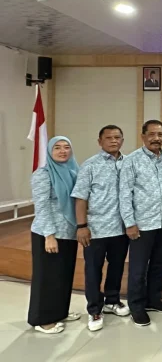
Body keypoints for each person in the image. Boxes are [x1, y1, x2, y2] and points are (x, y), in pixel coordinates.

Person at [73, 125, 130, 332]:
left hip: (121, 228)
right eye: (109, 138)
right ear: (100, 141)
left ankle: (112, 301)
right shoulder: (90, 165)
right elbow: (80, 198)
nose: (113, 141)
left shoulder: (129, 163)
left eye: (117, 137)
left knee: (117, 267)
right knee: (93, 270)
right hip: (96, 229)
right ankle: (94, 309)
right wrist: (82, 226)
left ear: (122, 140)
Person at [119, 119, 162, 327]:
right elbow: (125, 194)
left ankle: (153, 300)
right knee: (138, 268)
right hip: (141, 225)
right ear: (143, 136)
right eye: (151, 134)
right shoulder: (131, 160)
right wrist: (129, 223)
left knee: (159, 264)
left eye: (160, 134)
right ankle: (136, 306)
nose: (156, 138)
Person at [28, 136, 81, 334]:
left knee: (63, 275)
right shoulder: (43, 174)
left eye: (66, 147)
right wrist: (49, 235)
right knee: (47, 277)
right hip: (49, 234)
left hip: (69, 233)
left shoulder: (74, 171)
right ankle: (42, 319)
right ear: (50, 151)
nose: (62, 151)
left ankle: (59, 312)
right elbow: (41, 206)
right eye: (57, 148)